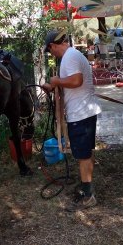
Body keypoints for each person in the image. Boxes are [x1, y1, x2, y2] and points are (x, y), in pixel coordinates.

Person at [42, 31, 102, 211]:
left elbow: (76, 80)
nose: (52, 54)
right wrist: (52, 86)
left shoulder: (69, 57)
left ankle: (88, 195)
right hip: (85, 112)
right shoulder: (73, 56)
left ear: (53, 45)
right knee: (86, 153)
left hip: (81, 114)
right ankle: (86, 186)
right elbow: (70, 84)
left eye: (50, 50)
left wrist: (56, 80)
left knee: (83, 155)